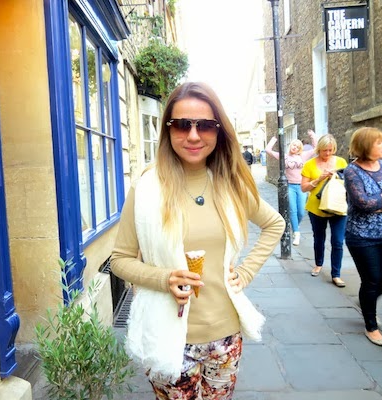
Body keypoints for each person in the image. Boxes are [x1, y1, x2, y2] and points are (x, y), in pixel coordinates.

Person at [110, 82, 285, 399]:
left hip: (225, 336)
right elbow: (120, 260)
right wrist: (164, 278)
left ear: (219, 131)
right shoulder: (146, 187)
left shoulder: (230, 184)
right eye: (182, 124)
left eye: (204, 125)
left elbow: (274, 224)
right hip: (166, 336)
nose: (193, 135)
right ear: (168, 129)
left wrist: (245, 273)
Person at [343, 127, 382, 347]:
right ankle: (371, 326)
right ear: (365, 146)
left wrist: (381, 205)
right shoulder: (352, 171)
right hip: (360, 237)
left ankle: (366, 301)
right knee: (371, 280)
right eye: (378, 142)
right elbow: (364, 203)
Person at [301, 134, 348, 286]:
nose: (327, 153)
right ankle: (318, 264)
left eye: (330, 150)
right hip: (316, 208)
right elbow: (303, 188)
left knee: (338, 241)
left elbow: (349, 182)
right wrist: (318, 179)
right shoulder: (309, 165)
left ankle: (336, 274)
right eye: (324, 150)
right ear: (318, 149)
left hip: (338, 206)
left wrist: (337, 176)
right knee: (319, 238)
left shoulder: (341, 162)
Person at [265, 129, 317, 245]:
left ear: (300, 149)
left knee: (301, 211)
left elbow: (316, 148)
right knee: (292, 210)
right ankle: (296, 233)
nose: (295, 148)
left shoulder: (303, 156)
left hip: (301, 186)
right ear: (290, 145)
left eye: (298, 147)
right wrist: (274, 138)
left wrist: (312, 136)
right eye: (294, 145)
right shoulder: (284, 157)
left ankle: (295, 226)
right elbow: (268, 150)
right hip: (290, 186)